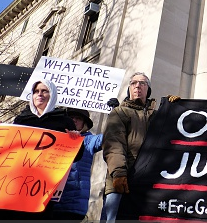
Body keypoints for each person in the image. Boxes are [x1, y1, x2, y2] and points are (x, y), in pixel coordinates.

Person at [101, 72, 180, 222]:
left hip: (148, 183)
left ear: (148, 90)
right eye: (134, 83)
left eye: (142, 83)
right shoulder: (119, 112)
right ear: (129, 88)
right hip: (122, 182)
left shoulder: (158, 116)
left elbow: (177, 132)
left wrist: (175, 108)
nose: (138, 86)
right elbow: (113, 145)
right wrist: (118, 173)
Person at [2, 79, 82, 219]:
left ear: (52, 95)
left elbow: (77, 155)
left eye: (44, 91)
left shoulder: (63, 121)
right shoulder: (21, 120)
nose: (40, 94)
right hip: (15, 184)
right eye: (36, 91)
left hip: (44, 187)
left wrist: (75, 140)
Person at [52, 108, 103, 221]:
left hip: (73, 204)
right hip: (50, 202)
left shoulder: (88, 140)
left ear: (84, 124)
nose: (74, 120)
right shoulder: (55, 137)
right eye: (71, 118)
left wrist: (114, 113)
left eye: (78, 118)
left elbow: (107, 138)